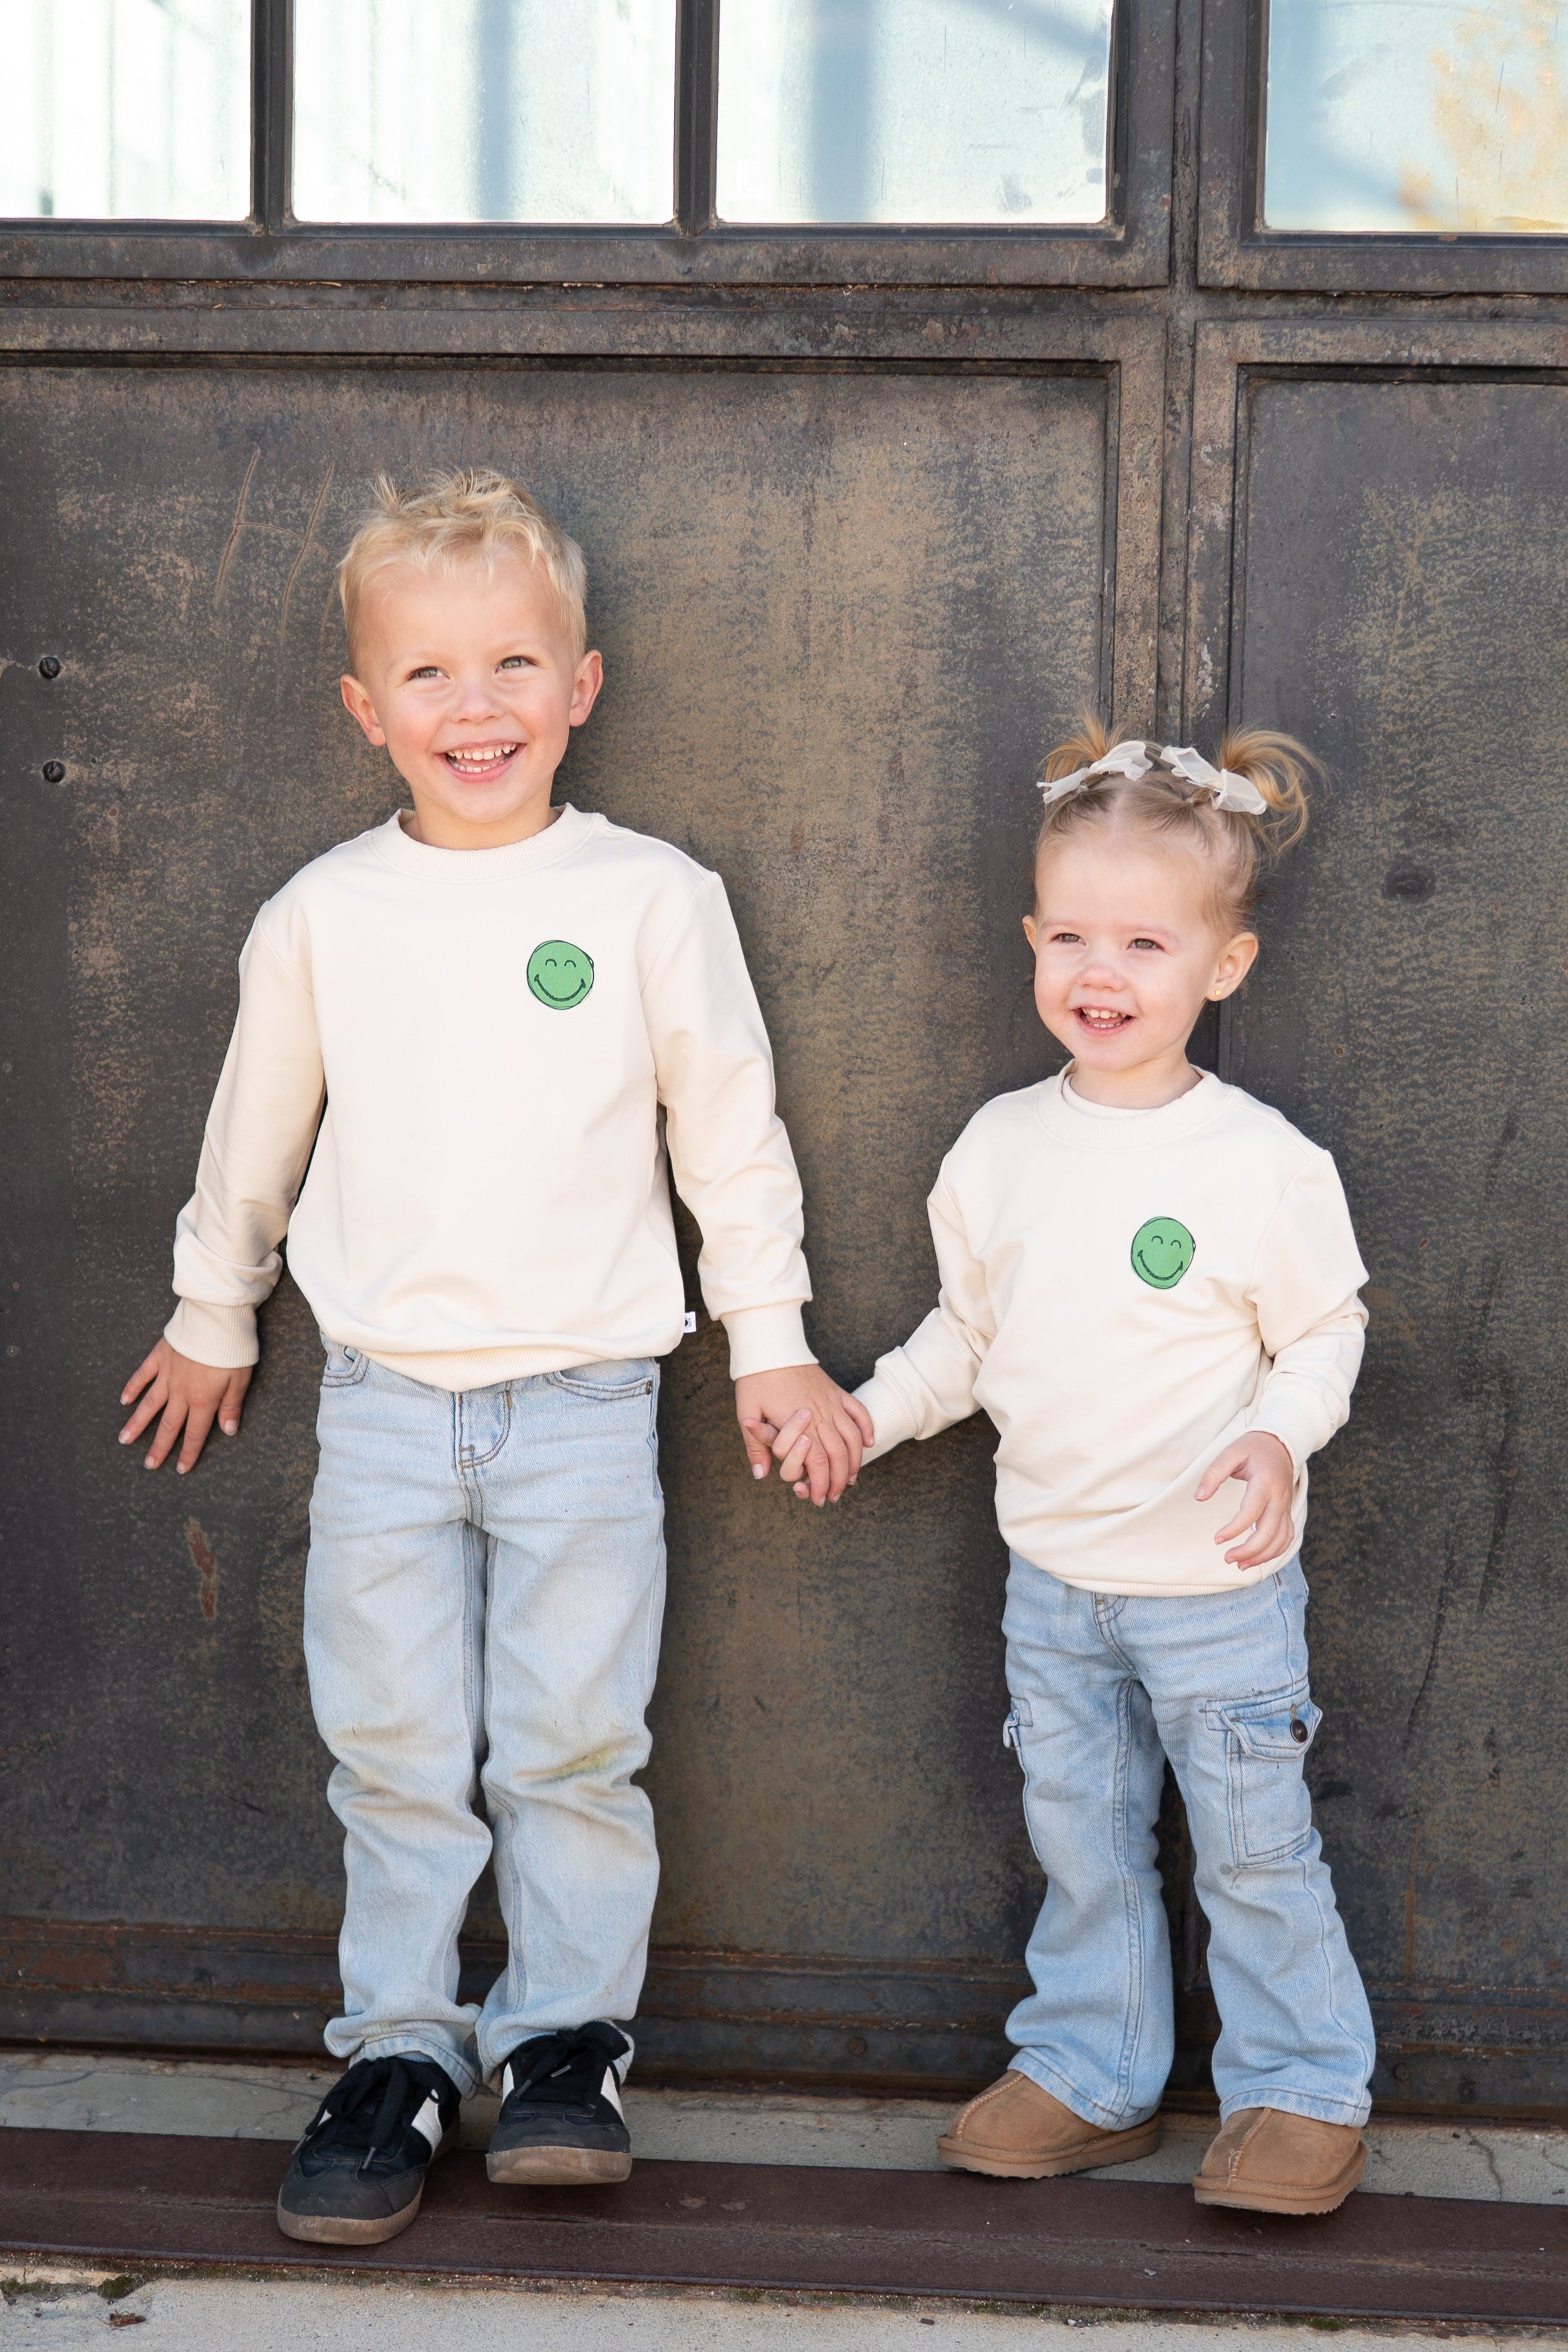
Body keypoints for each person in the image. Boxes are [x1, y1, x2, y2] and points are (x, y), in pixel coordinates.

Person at [117, 468, 871, 2246]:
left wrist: (770, 1341)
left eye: (515, 664)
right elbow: (256, 1135)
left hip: (589, 1402)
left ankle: (560, 2046)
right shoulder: (326, 914)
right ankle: (395, 2052)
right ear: (367, 709)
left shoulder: (649, 898)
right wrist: (210, 1309)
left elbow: (730, 1138)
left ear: (583, 684)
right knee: (389, 1746)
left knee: (571, 1747)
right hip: (384, 1403)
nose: (479, 708)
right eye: (433, 676)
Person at [771, 722, 1376, 2216]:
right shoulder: (995, 1150)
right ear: (1035, 941)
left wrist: (1274, 1433)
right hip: (1054, 1585)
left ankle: (1300, 2089)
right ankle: (1094, 2071)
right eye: (1073, 937)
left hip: (1215, 1595)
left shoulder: (1258, 1163)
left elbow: (1323, 1333)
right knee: (1082, 1844)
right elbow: (963, 1343)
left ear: (1219, 967)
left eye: (1147, 942)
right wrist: (862, 1410)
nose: (1101, 972)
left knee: (1249, 1848)